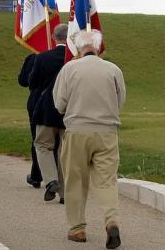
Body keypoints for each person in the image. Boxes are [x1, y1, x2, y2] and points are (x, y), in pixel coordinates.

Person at [53, 29, 126, 248]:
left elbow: (59, 104)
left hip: (77, 130)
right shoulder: (113, 69)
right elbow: (120, 101)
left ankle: (77, 229)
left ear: (77, 48)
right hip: (107, 132)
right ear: (97, 46)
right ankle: (111, 220)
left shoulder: (69, 69)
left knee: (75, 181)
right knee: (107, 181)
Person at [29, 24, 68, 203]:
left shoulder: (42, 57)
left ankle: (51, 180)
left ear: (54, 37)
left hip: (46, 109)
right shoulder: (74, 59)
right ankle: (65, 194)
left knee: (43, 145)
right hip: (68, 111)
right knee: (65, 152)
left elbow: (33, 82)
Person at [18, 52, 44, 188]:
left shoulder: (34, 57)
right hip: (60, 101)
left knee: (37, 139)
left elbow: (23, 80)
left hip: (37, 100)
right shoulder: (68, 55)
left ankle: (36, 175)